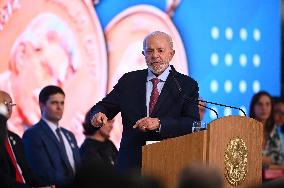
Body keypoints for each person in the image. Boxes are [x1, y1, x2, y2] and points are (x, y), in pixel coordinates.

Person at [89, 31, 199, 171]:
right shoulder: (129, 81)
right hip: (130, 165)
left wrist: (160, 123)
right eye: (150, 51)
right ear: (144, 54)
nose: (155, 56)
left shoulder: (186, 85)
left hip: (168, 163)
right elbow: (104, 106)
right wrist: (99, 114)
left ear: (171, 54)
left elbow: (193, 124)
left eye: (160, 50)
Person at [23, 85, 81, 187]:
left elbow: (79, 167)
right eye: (54, 103)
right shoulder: (32, 134)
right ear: (42, 105)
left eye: (62, 103)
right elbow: (44, 173)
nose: (59, 107)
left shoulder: (70, 135)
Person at [0, 91, 49, 188]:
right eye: (5, 103)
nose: (9, 107)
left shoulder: (15, 138)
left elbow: (27, 172)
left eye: (11, 104)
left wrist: (45, 186)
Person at [249, 91, 284, 166]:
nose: (264, 108)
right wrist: (270, 160)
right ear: (253, 107)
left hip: (274, 176)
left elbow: (281, 159)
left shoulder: (274, 132)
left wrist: (262, 160)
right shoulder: (245, 131)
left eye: (267, 104)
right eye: (260, 104)